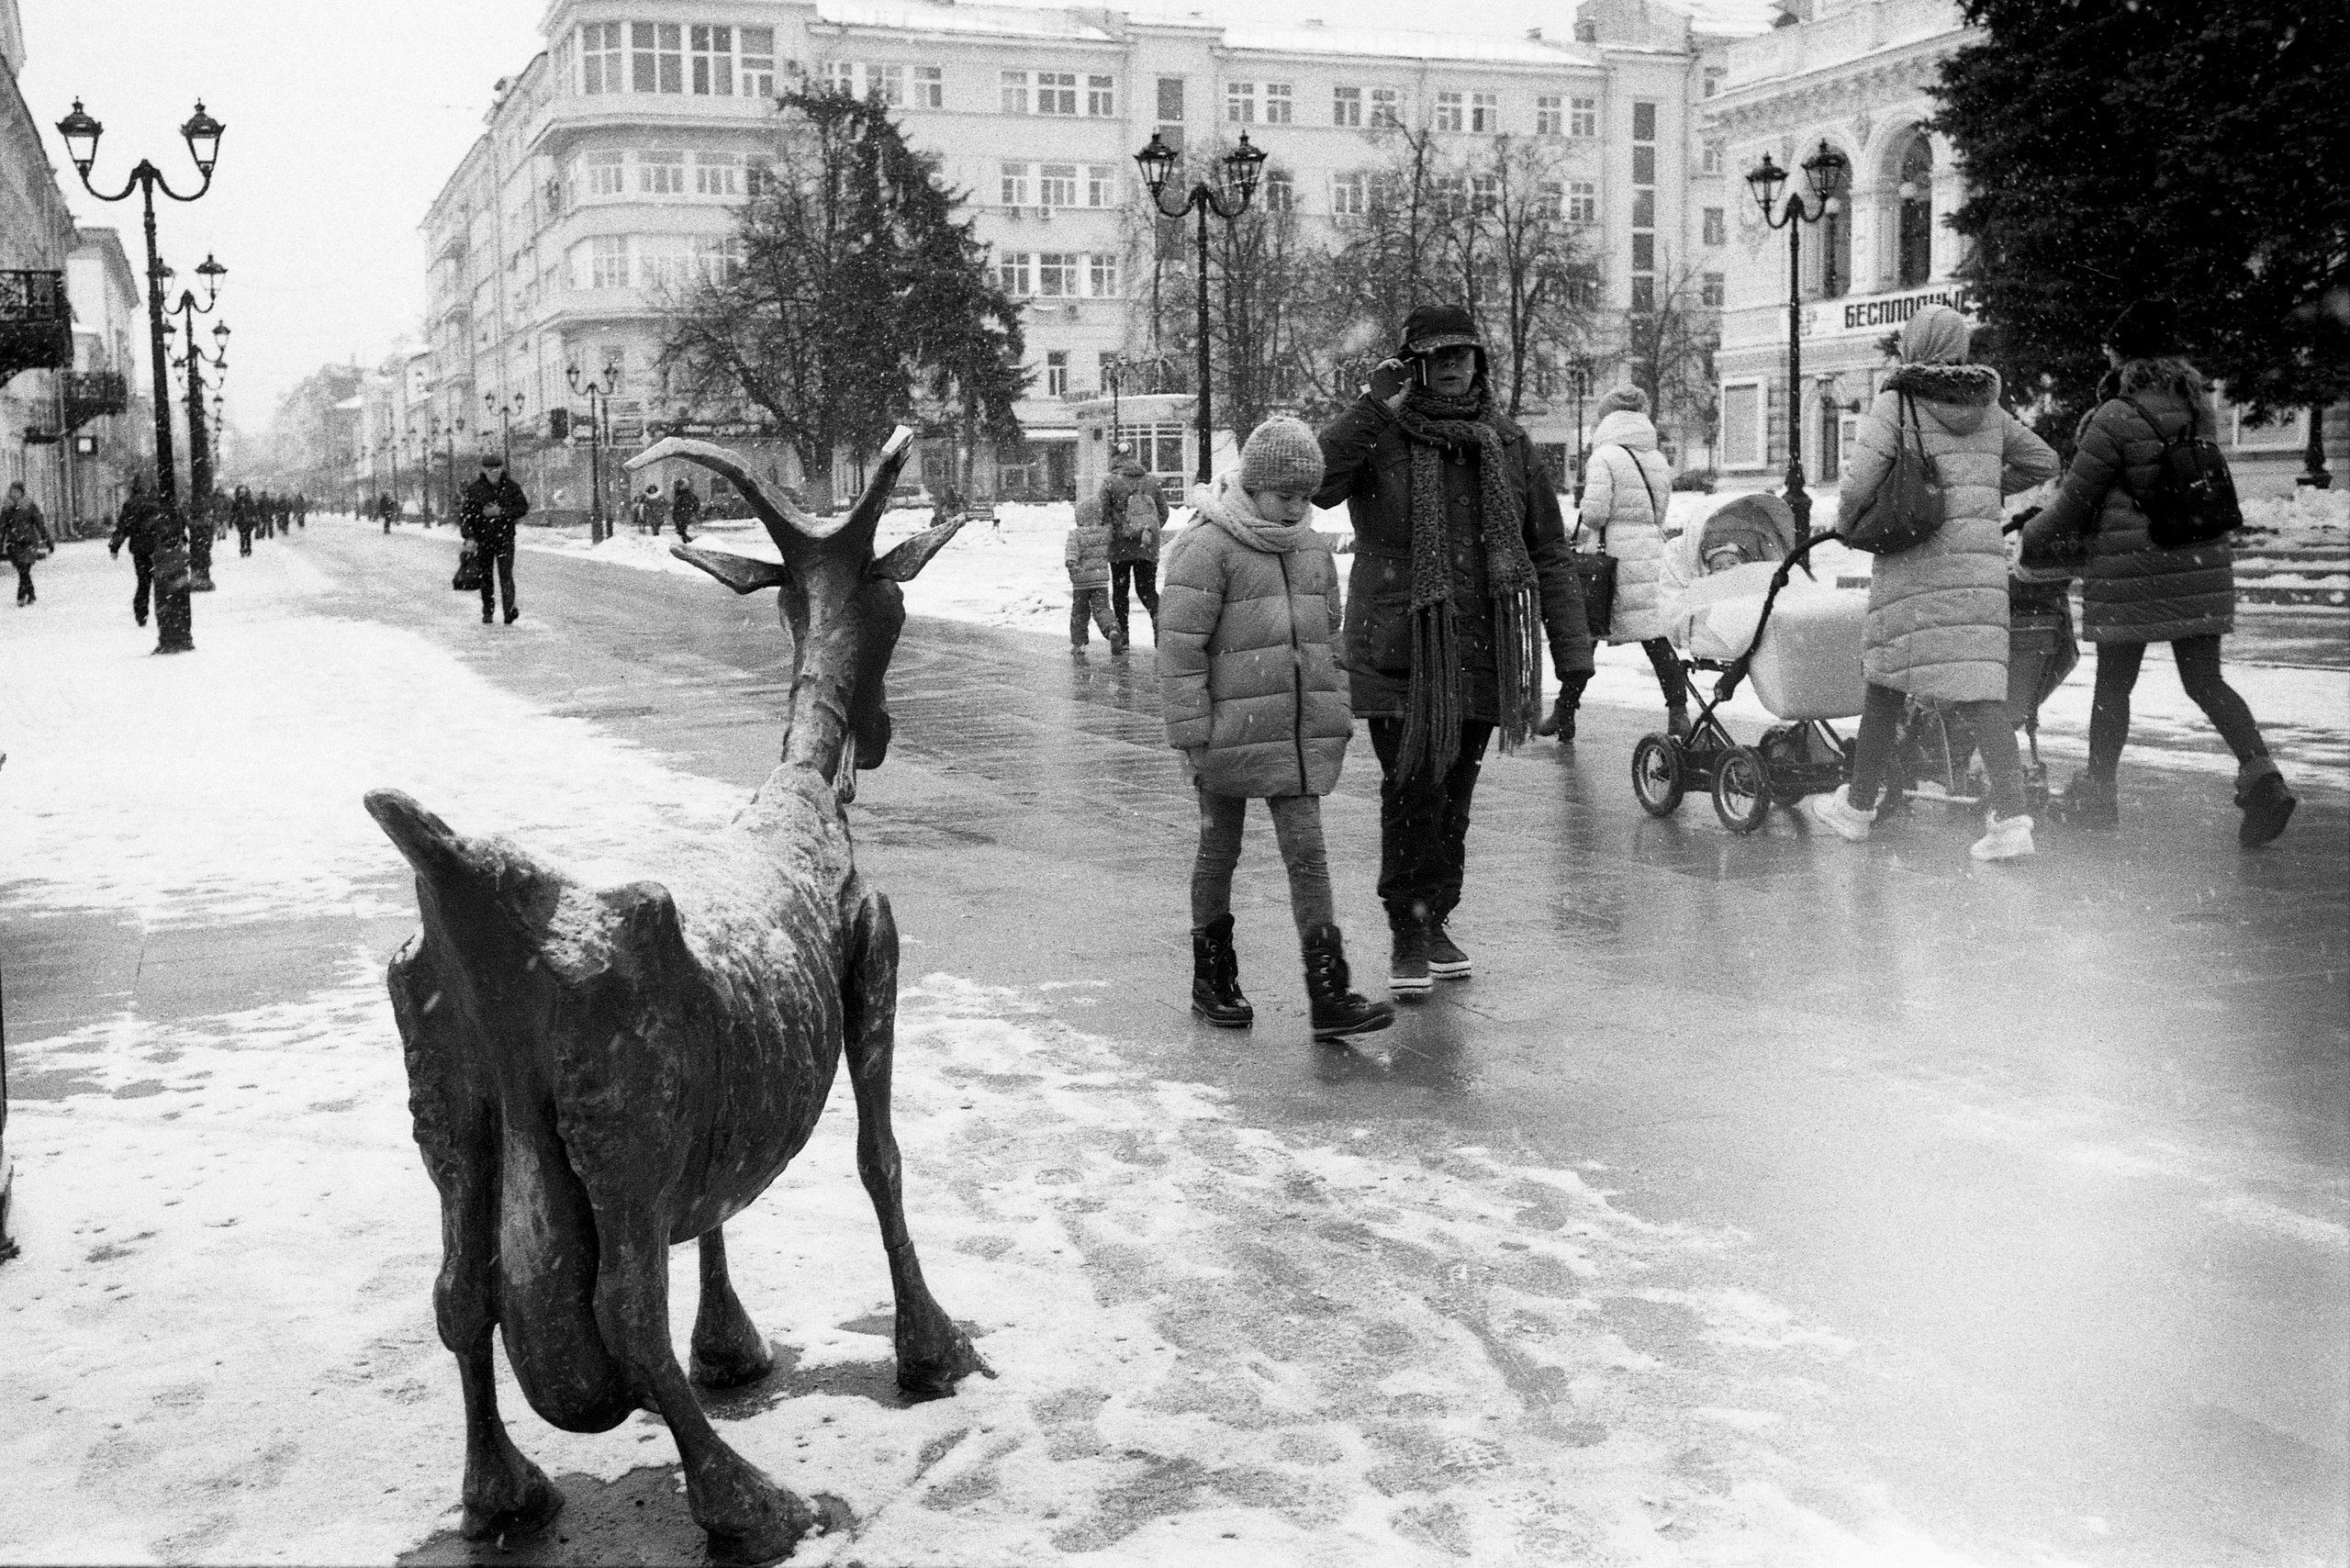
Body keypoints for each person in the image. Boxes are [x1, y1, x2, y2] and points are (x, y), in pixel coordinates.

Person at [1315, 302, 1594, 994]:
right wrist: (1371, 408)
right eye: (1438, 356)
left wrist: (1572, 648)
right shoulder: (1381, 436)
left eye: (1463, 355)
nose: (1452, 367)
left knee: (1455, 795)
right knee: (1413, 786)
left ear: (1480, 362)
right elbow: (1317, 482)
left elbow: (1548, 553)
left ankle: (1435, 913)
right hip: (1397, 646)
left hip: (1481, 644)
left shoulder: (1507, 444)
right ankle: (1409, 930)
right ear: (1412, 364)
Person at [2021, 297, 2294, 847]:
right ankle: (2263, 778)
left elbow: (2074, 500)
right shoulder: (2197, 408)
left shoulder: (2114, 417)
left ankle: (2098, 794)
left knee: (2113, 687)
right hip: (2197, 556)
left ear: (2123, 355)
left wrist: (2031, 536)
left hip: (2134, 567)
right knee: (2205, 681)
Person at [1158, 418, 1393, 1043]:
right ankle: (1213, 978)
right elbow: (1180, 649)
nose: (1295, 507)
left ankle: (1329, 993)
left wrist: (1335, 709)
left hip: (1295, 736)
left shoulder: (1312, 551)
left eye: (1304, 496)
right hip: (1225, 733)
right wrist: (1190, 733)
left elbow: (1327, 641)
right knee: (1219, 851)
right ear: (1255, 485)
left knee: (1309, 858)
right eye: (1284, 494)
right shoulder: (1207, 547)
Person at [1805, 304, 2059, 861]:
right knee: (1980, 690)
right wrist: (1982, 486)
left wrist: (1847, 527)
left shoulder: (1896, 401)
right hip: (1976, 570)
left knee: (1887, 683)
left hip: (1912, 563)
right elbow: (2045, 461)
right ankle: (2013, 819)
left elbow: (1859, 482)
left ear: (1913, 348)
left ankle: (1857, 807)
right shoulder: (1989, 409)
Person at [1542, 386, 1684, 743]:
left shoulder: (1604, 456)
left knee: (1586, 633)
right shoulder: (1658, 458)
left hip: (1609, 558)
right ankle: (1678, 712)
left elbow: (1594, 514)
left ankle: (1565, 712)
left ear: (1607, 417)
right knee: (1654, 634)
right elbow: (1660, 513)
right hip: (1649, 553)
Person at [1100, 449, 1168, 644]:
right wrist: (1147, 532)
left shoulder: (1110, 482)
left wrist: (1119, 530)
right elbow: (1163, 512)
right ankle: (1157, 616)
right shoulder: (1152, 481)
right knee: (1146, 589)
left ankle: (1123, 635)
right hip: (1146, 545)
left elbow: (1102, 512)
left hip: (1119, 546)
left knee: (1120, 591)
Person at [459, 451, 531, 624]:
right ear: (483, 469)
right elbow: (466, 516)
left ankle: (509, 611)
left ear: (502, 468)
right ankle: (488, 609)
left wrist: (502, 512)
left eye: (497, 467)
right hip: (483, 539)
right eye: (490, 468)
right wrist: (469, 537)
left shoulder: (511, 487)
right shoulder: (475, 489)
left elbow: (522, 507)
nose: (493, 471)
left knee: (506, 575)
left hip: (505, 539)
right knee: (486, 576)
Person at [109, 470, 169, 627]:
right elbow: (171, 523)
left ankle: (141, 614)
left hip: (139, 549)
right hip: (158, 548)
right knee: (160, 582)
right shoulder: (158, 503)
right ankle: (163, 614)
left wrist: (115, 547)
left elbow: (123, 527)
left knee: (143, 583)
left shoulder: (131, 504)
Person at [1065, 494, 1121, 653]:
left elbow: (1071, 551)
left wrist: (1071, 563)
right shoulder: (1104, 533)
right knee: (1102, 609)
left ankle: (1078, 643)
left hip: (1081, 581)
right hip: (1100, 581)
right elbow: (1113, 528)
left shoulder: (1076, 534)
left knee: (1080, 612)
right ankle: (1112, 630)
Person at [2, 482, 52, 606]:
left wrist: (48, 541)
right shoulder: (7, 509)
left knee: (24, 569)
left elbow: (40, 525)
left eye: (17, 491)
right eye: (12, 491)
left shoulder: (30, 507)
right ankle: (31, 593)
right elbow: (2, 528)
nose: (15, 494)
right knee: (22, 570)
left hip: (29, 542)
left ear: (22, 492)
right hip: (14, 544)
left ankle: (21, 596)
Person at [670, 476, 700, 543]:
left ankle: (687, 540)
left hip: (683, 514)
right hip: (681, 514)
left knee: (681, 530)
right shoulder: (680, 495)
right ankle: (687, 540)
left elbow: (694, 504)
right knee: (681, 530)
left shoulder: (683, 495)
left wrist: (690, 512)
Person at [231, 485, 259, 555]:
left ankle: (248, 548)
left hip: (249, 521)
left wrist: (255, 518)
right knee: (242, 536)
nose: (242, 493)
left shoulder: (250, 501)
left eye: (244, 492)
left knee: (248, 535)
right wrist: (233, 519)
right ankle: (242, 548)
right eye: (241, 492)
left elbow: (254, 510)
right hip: (240, 521)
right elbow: (233, 511)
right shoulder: (237, 501)